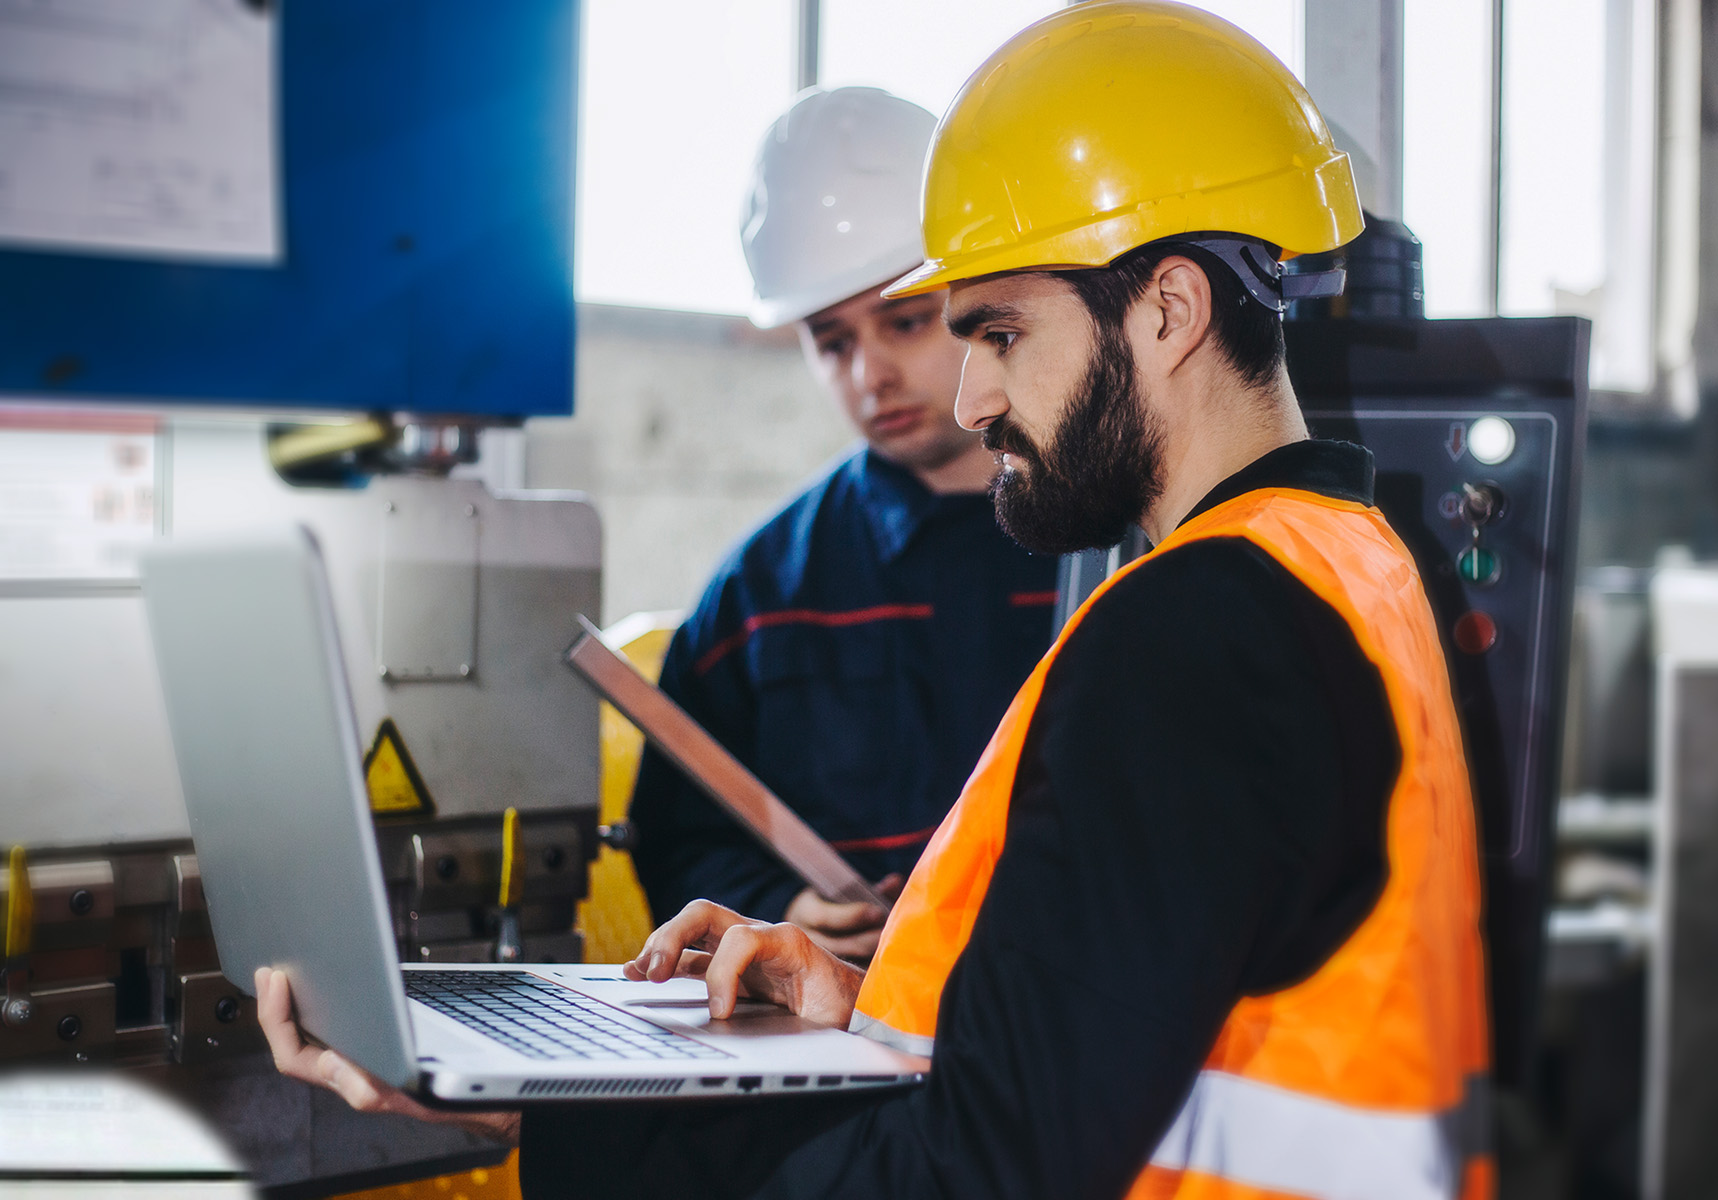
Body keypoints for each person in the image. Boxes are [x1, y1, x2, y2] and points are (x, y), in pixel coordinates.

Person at [260, 7, 1491, 1197]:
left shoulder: (1194, 631)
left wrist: (560, 1127)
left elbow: (982, 1168)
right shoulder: (1348, 562)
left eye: (998, 332)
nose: (967, 400)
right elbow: (1132, 1030)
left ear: (1169, 309)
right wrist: (872, 1003)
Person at [627, 85, 1060, 959]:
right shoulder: (760, 592)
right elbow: (676, 841)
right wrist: (777, 904)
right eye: (831, 342)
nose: (870, 375)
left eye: (903, 323)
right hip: (835, 1044)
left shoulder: (1111, 543)